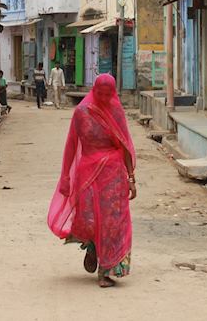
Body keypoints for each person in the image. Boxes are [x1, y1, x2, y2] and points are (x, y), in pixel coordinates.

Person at [47, 74, 137, 288]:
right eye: (101, 94)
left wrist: (131, 177)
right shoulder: (82, 112)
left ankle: (107, 269)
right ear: (94, 91)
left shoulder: (116, 112)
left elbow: (124, 144)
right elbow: (71, 144)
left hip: (113, 174)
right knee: (89, 219)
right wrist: (65, 176)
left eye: (109, 94)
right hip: (88, 174)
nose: (104, 98)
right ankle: (92, 246)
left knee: (114, 220)